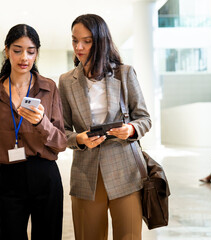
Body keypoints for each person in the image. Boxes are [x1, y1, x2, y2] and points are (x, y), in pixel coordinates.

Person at [0, 24, 67, 240]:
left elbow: (61, 142)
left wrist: (41, 122)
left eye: (31, 51)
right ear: (6, 51)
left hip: (45, 174)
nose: (24, 57)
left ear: (37, 53)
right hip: (10, 178)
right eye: (17, 50)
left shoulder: (48, 87)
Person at [58, 14, 152, 240]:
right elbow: (62, 130)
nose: (79, 47)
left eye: (87, 41)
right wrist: (79, 139)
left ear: (101, 41)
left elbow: (144, 118)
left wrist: (130, 130)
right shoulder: (65, 81)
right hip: (85, 173)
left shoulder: (125, 73)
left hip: (125, 170)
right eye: (74, 40)